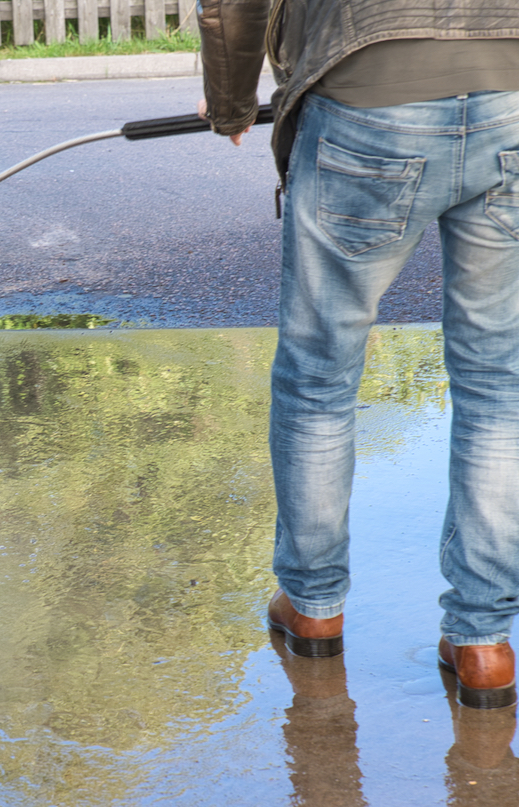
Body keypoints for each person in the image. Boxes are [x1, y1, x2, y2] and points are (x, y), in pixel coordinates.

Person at [198, 0, 519, 709]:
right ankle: (485, 643)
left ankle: (313, 604)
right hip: (513, 87)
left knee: (319, 376)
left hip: (368, 96)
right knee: (499, 382)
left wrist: (229, 106)